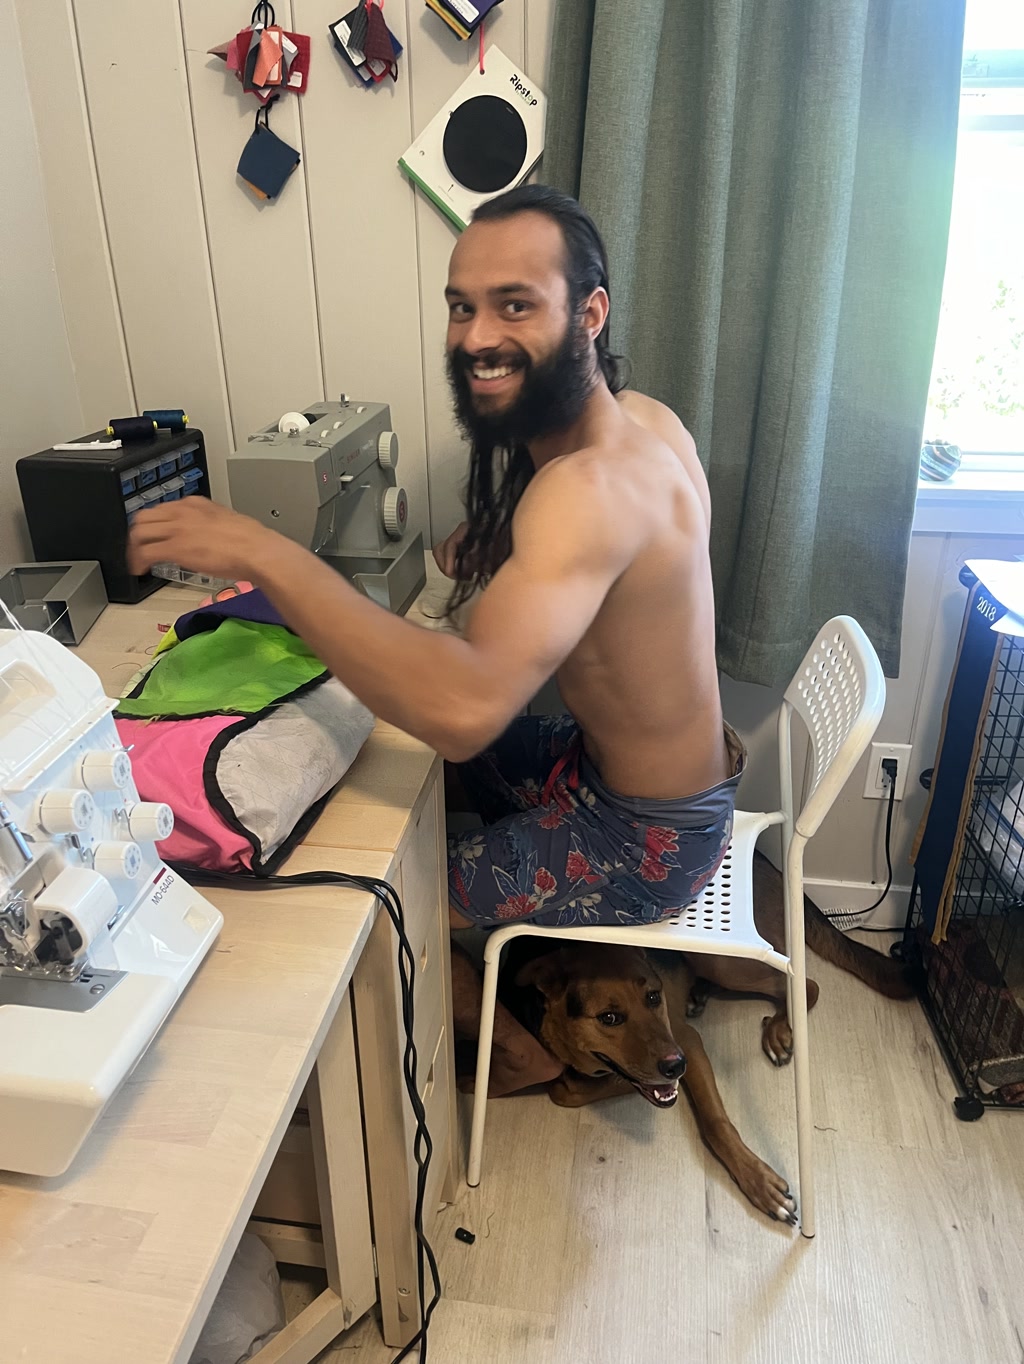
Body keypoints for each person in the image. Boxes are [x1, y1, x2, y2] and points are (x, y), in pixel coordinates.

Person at [128, 184, 744, 1097]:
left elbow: (460, 708)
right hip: (640, 778)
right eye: (462, 305)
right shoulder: (642, 420)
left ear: (589, 313)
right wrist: (503, 543)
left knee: (389, 884)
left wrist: (267, 553)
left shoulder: (587, 492)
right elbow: (615, 587)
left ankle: (523, 1056)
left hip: (644, 839)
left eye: (516, 305)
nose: (476, 336)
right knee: (393, 763)